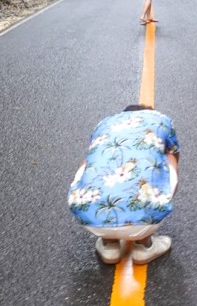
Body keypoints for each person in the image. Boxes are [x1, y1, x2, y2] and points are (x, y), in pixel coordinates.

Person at [67, 105, 180, 265]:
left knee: (93, 157)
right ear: (148, 112)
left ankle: (109, 244)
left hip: (91, 218)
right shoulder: (161, 119)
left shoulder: (104, 124)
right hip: (146, 221)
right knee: (169, 154)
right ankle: (144, 245)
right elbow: (174, 150)